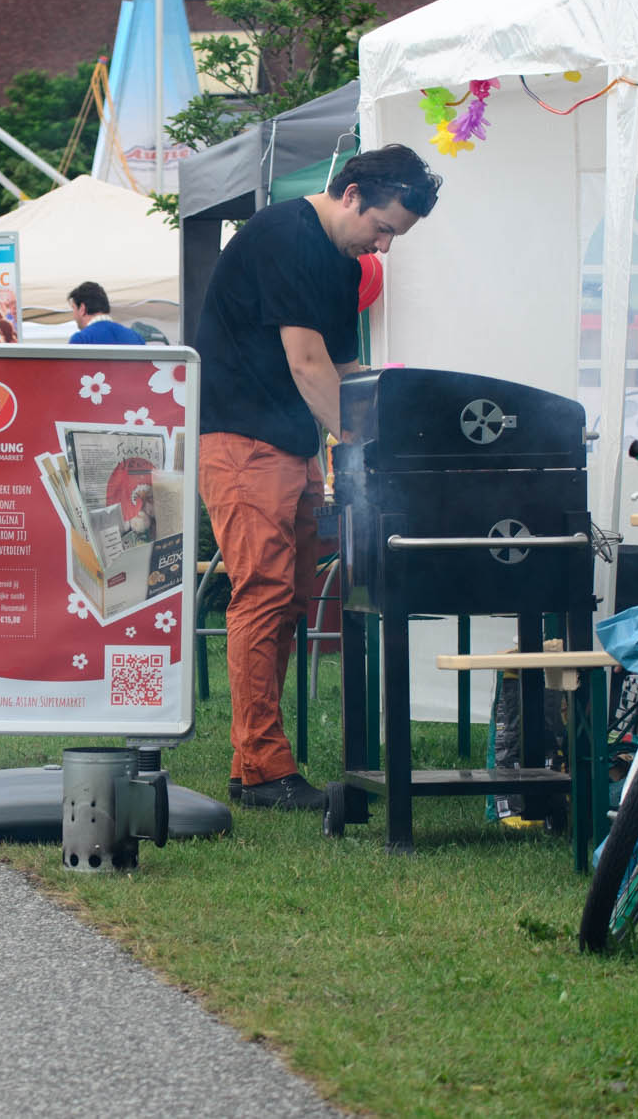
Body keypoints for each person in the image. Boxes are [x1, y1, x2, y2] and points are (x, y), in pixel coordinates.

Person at [195, 143, 441, 810]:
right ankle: (264, 769)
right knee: (264, 594)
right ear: (352, 194)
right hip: (240, 441)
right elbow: (307, 365)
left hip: (290, 443)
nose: (383, 247)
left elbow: (347, 370)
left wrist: (404, 424)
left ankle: (253, 764)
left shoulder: (341, 262)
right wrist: (361, 448)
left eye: (394, 238)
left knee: (290, 599)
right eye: (382, 228)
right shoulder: (286, 235)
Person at [66, 282, 146, 345]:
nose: (74, 315)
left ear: (82, 309)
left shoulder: (81, 339)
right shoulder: (136, 337)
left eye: (73, 308)